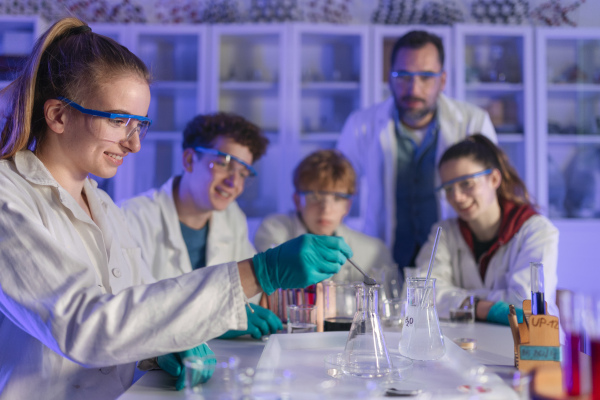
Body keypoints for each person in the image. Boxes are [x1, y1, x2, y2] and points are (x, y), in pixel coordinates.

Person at [0, 18, 352, 399]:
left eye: (140, 125)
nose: (133, 145)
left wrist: (162, 347)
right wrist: (258, 272)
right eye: (119, 121)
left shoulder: (102, 205)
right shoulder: (8, 198)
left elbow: (134, 315)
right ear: (58, 116)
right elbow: (85, 327)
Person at [337, 30, 497, 273]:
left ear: (442, 80)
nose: (414, 88)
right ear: (389, 78)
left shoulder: (473, 122)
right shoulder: (361, 125)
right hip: (382, 261)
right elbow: (337, 192)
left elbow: (491, 197)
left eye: (426, 76)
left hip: (454, 263)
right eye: (403, 76)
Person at [120, 112, 283, 340]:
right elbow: (129, 314)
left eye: (243, 173)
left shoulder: (232, 217)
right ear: (188, 160)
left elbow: (249, 300)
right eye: (223, 163)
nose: (233, 183)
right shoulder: (131, 219)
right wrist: (215, 320)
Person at [415, 134, 559, 324]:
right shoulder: (444, 232)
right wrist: (483, 307)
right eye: (448, 188)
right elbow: (420, 294)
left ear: (493, 179)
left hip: (531, 347)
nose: (456, 197)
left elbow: (526, 303)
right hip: (470, 343)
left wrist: (463, 302)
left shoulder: (537, 230)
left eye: (466, 183)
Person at [254, 150, 399, 299]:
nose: (325, 209)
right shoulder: (274, 231)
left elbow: (390, 306)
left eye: (337, 198)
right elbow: (265, 295)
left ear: (347, 206)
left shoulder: (374, 251)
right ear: (297, 201)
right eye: (315, 196)